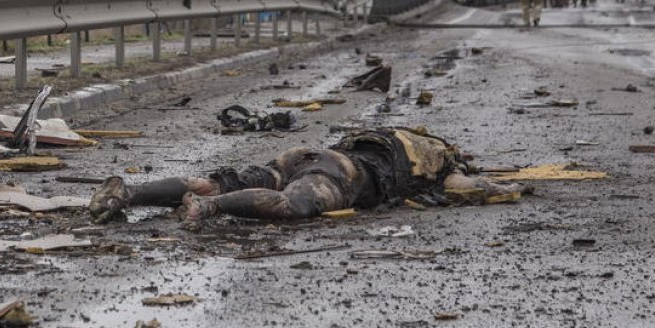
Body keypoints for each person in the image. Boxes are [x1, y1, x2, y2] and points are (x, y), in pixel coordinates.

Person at [88, 127, 527, 227]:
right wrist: (511, 188)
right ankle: (209, 208)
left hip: (308, 154)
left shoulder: (403, 135)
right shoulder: (443, 163)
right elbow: (475, 189)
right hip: (343, 173)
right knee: (295, 205)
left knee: (218, 179)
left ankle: (127, 193)